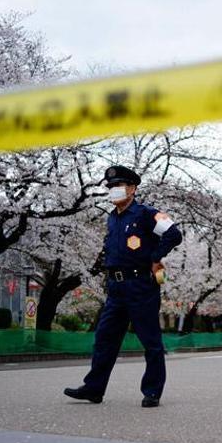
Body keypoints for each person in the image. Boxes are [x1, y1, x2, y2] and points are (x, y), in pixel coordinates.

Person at [64, 165, 182, 407]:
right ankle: (94, 388)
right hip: (116, 288)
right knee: (104, 338)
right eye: (110, 187)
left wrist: (155, 257)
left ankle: (152, 391)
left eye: (118, 186)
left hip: (141, 286)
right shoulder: (112, 217)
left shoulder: (147, 214)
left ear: (132, 188)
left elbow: (174, 233)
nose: (114, 191)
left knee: (150, 340)